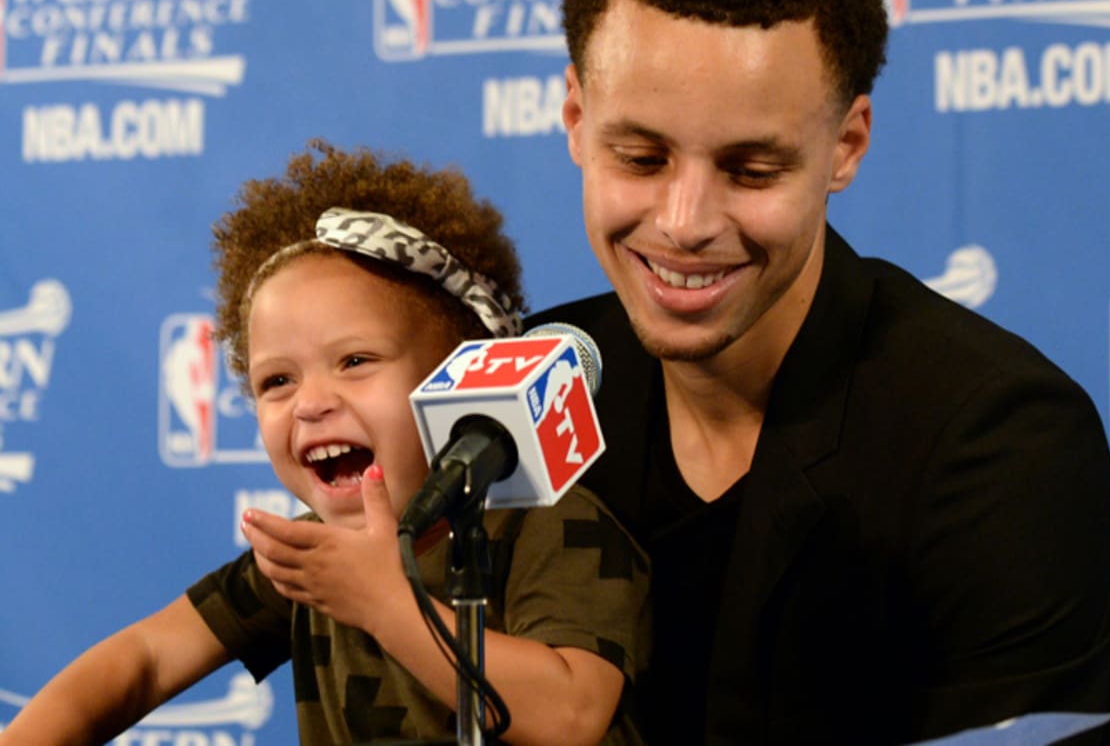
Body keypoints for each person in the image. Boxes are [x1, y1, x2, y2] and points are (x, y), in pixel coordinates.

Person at [527, 0, 1110, 745]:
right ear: (577, 119)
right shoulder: (526, 384)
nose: (685, 223)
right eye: (641, 156)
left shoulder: (998, 446)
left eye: (752, 170)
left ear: (845, 146)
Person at [1, 142, 649, 746]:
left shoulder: (552, 529)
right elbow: (144, 659)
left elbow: (572, 714)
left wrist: (384, 602)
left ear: (464, 371)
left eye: (356, 361)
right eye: (277, 380)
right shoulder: (311, 557)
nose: (311, 403)